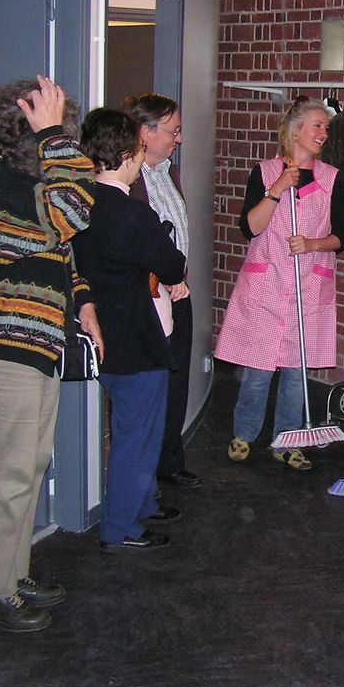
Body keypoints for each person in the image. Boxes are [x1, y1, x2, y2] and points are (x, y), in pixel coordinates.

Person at [0, 77, 98, 630]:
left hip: (36, 343)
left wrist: (83, 300)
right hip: (4, 344)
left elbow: (59, 252)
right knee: (5, 472)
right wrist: (54, 135)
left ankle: (9, 568)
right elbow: (72, 210)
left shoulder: (29, 186)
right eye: (56, 129)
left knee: (28, 465)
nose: (69, 141)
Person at [215, 98, 344, 470]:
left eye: (325, 127)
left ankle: (287, 440)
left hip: (309, 286)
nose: (323, 133)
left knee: (296, 371)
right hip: (266, 285)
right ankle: (244, 434)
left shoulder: (332, 178)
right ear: (295, 131)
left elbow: (342, 235)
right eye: (317, 126)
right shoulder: (265, 172)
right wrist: (276, 189)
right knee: (258, 369)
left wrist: (312, 244)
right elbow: (250, 227)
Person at [75, 108, 186, 552]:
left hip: (100, 333)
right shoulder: (131, 214)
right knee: (135, 439)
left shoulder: (79, 207)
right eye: (139, 150)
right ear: (125, 154)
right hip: (137, 336)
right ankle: (120, 527)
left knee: (132, 431)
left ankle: (141, 506)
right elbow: (172, 264)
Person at [122, 94, 201, 491]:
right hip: (149, 296)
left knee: (176, 378)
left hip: (178, 289)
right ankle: (145, 479)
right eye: (173, 131)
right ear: (145, 132)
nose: (179, 139)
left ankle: (169, 461)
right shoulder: (127, 181)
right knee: (149, 387)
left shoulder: (168, 172)